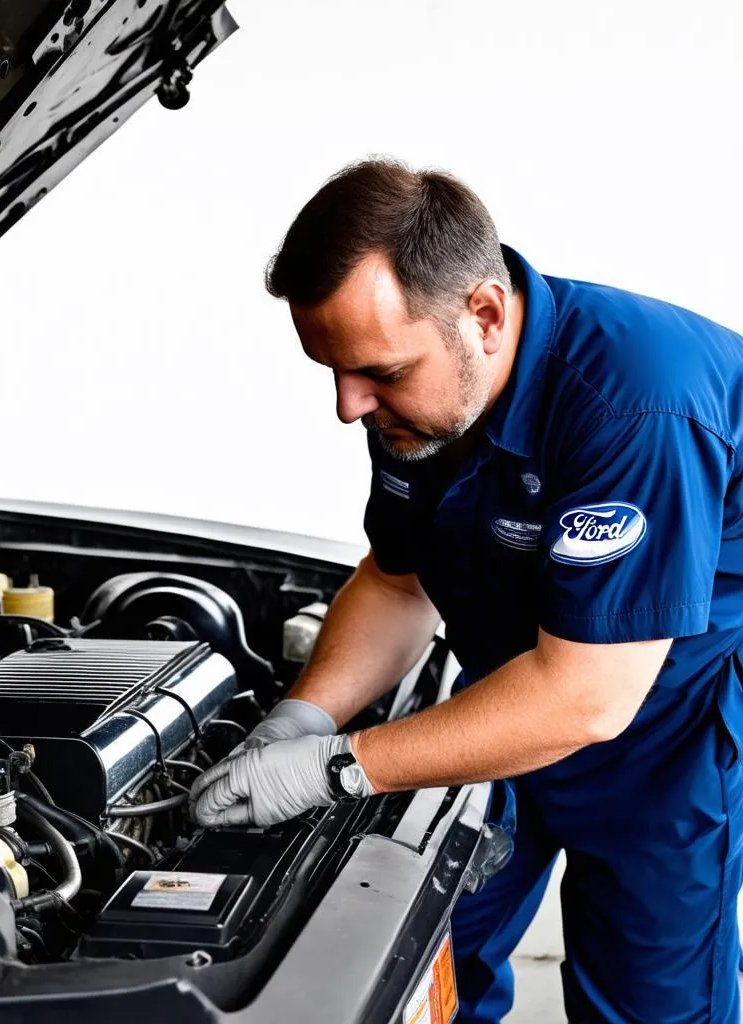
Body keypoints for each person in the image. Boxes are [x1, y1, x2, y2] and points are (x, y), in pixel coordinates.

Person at [189, 159, 743, 1023]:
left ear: (483, 315)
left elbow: (585, 700)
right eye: (332, 372)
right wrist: (304, 719)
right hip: (497, 695)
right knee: (425, 967)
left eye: (377, 372)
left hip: (659, 731)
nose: (348, 406)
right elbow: (396, 582)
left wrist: (337, 770)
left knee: (646, 1008)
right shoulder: (419, 397)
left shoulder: (637, 405)